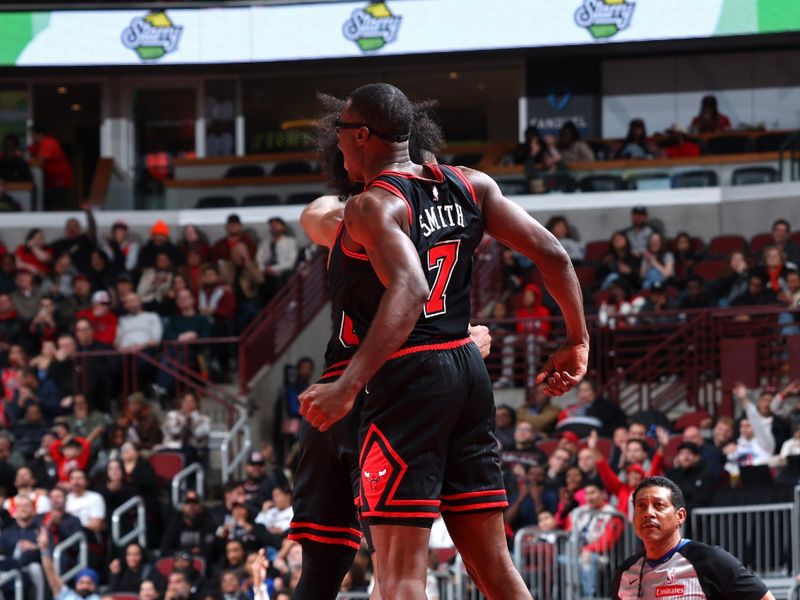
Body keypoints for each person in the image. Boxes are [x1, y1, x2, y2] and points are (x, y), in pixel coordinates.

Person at [301, 83, 590, 600]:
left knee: (401, 574)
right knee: (495, 570)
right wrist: (577, 340)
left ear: (362, 134)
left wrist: (348, 383)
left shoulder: (372, 206)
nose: (336, 141)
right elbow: (552, 253)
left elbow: (409, 290)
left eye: (340, 131)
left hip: (409, 378)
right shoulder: (471, 184)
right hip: (466, 369)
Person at [612, 476, 773, 599]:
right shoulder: (626, 571)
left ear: (680, 516)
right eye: (641, 506)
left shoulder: (711, 560)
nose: (648, 513)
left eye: (658, 505)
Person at [28, 124, 73, 211]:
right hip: (49, 183)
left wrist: (26, 161)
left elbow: (39, 162)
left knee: (57, 209)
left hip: (59, 184)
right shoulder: (38, 145)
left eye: (32, 135)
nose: (31, 138)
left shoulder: (49, 142)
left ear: (39, 135)